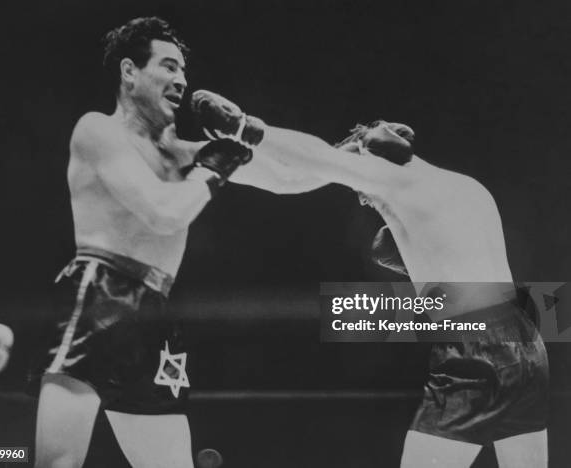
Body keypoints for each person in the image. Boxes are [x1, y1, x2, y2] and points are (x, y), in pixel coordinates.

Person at [190, 92, 549, 467]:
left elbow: (303, 169)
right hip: (527, 344)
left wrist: (241, 127)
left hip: (476, 349)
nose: (361, 196)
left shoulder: (396, 182)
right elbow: (295, 175)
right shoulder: (468, 187)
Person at [33, 17, 256, 468]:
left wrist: (252, 133)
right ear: (129, 71)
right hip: (100, 294)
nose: (182, 80)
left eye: (184, 72)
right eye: (169, 66)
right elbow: (161, 211)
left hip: (158, 311)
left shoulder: (181, 152)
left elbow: (268, 169)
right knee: (59, 464)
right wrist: (214, 167)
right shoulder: (97, 130)